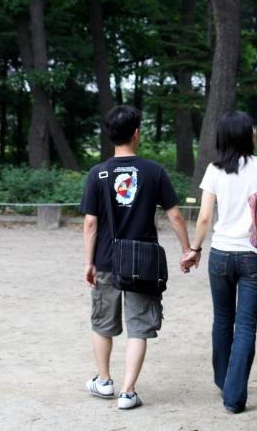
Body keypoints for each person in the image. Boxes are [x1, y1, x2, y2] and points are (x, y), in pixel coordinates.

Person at [182, 111, 257, 414]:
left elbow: (205, 216)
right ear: (247, 135)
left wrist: (195, 249)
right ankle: (234, 397)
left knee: (222, 320)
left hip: (220, 255)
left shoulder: (214, 170)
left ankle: (225, 381)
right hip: (256, 256)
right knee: (245, 326)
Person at [80, 105, 191, 410]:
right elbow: (176, 215)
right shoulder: (154, 171)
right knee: (139, 326)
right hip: (143, 262)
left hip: (105, 259)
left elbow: (90, 223)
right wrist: (187, 249)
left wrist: (89, 263)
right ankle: (128, 392)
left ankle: (104, 381)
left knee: (103, 322)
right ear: (137, 134)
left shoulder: (97, 174)